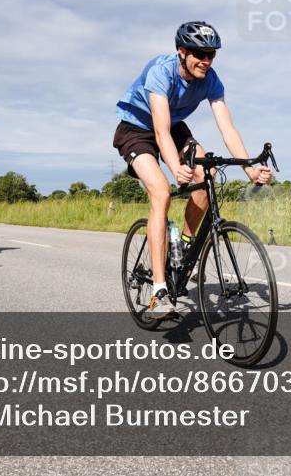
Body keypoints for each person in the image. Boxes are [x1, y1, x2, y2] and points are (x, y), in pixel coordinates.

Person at [113, 21, 271, 319]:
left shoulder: (211, 80)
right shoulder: (162, 71)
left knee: (207, 175)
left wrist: (249, 168)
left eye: (211, 54)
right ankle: (159, 292)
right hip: (137, 130)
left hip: (174, 128)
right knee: (161, 193)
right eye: (199, 54)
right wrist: (175, 167)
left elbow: (227, 128)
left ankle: (184, 247)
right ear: (182, 52)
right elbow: (159, 130)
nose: (206, 61)